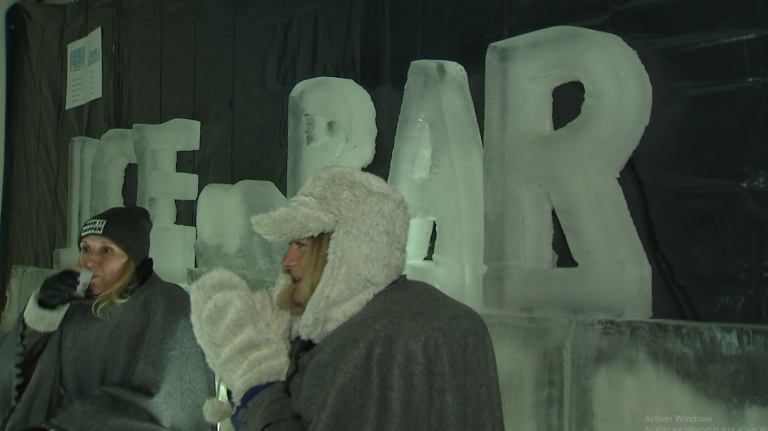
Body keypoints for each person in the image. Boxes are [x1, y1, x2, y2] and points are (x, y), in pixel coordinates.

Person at [190, 166, 504, 431]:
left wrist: (255, 379)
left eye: (301, 245)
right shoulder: (453, 319)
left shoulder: (360, 346)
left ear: (348, 249)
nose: (286, 260)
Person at [0, 206, 215, 431]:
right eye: (85, 248)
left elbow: (167, 405)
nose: (91, 261)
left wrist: (65, 428)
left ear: (132, 257)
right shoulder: (70, 307)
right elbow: (13, 383)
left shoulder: (171, 307)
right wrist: (40, 313)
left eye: (106, 250)